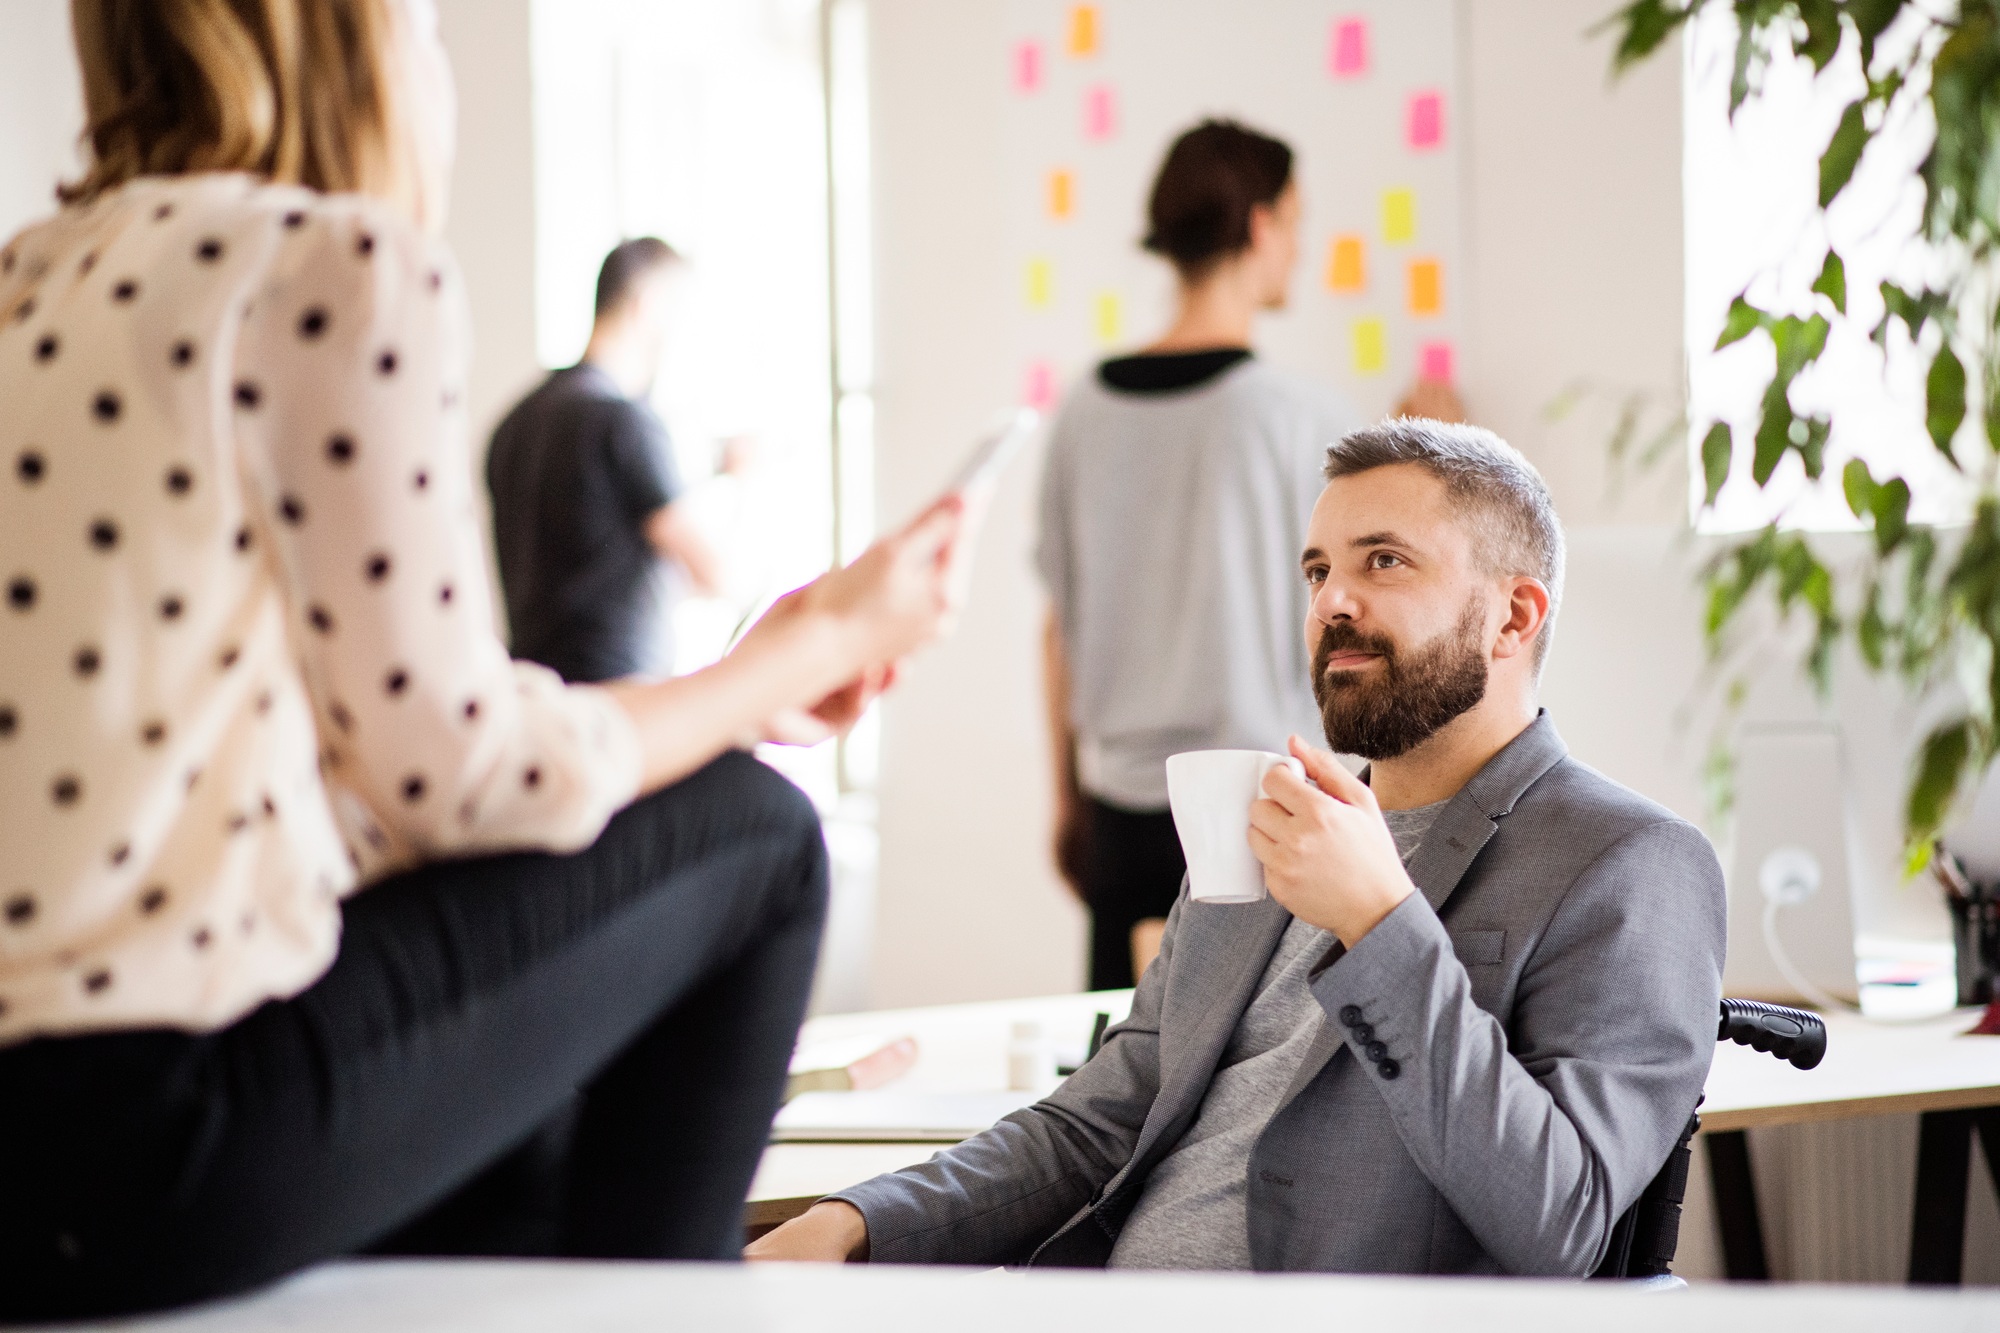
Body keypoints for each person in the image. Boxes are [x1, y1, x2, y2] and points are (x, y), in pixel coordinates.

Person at [0, 0, 969, 1318]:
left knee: (537, 1143)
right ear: (357, 39)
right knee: (758, 838)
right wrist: (807, 647)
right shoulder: (328, 265)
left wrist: (732, 687)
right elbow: (451, 772)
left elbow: (348, 752)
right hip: (165, 1137)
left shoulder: (30, 280)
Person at [750, 420, 1727, 1276]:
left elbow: (1559, 1221)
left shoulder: (1629, 865)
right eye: (1317, 570)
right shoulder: (1258, 828)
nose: (1331, 602)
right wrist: (853, 1221)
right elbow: (1099, 1119)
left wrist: (1382, 925)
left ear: (1513, 615)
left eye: (1381, 561)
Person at [487, 237, 722, 683]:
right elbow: (714, 574)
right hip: (619, 704)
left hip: (534, 698)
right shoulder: (624, 423)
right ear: (648, 305)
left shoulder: (514, 423)